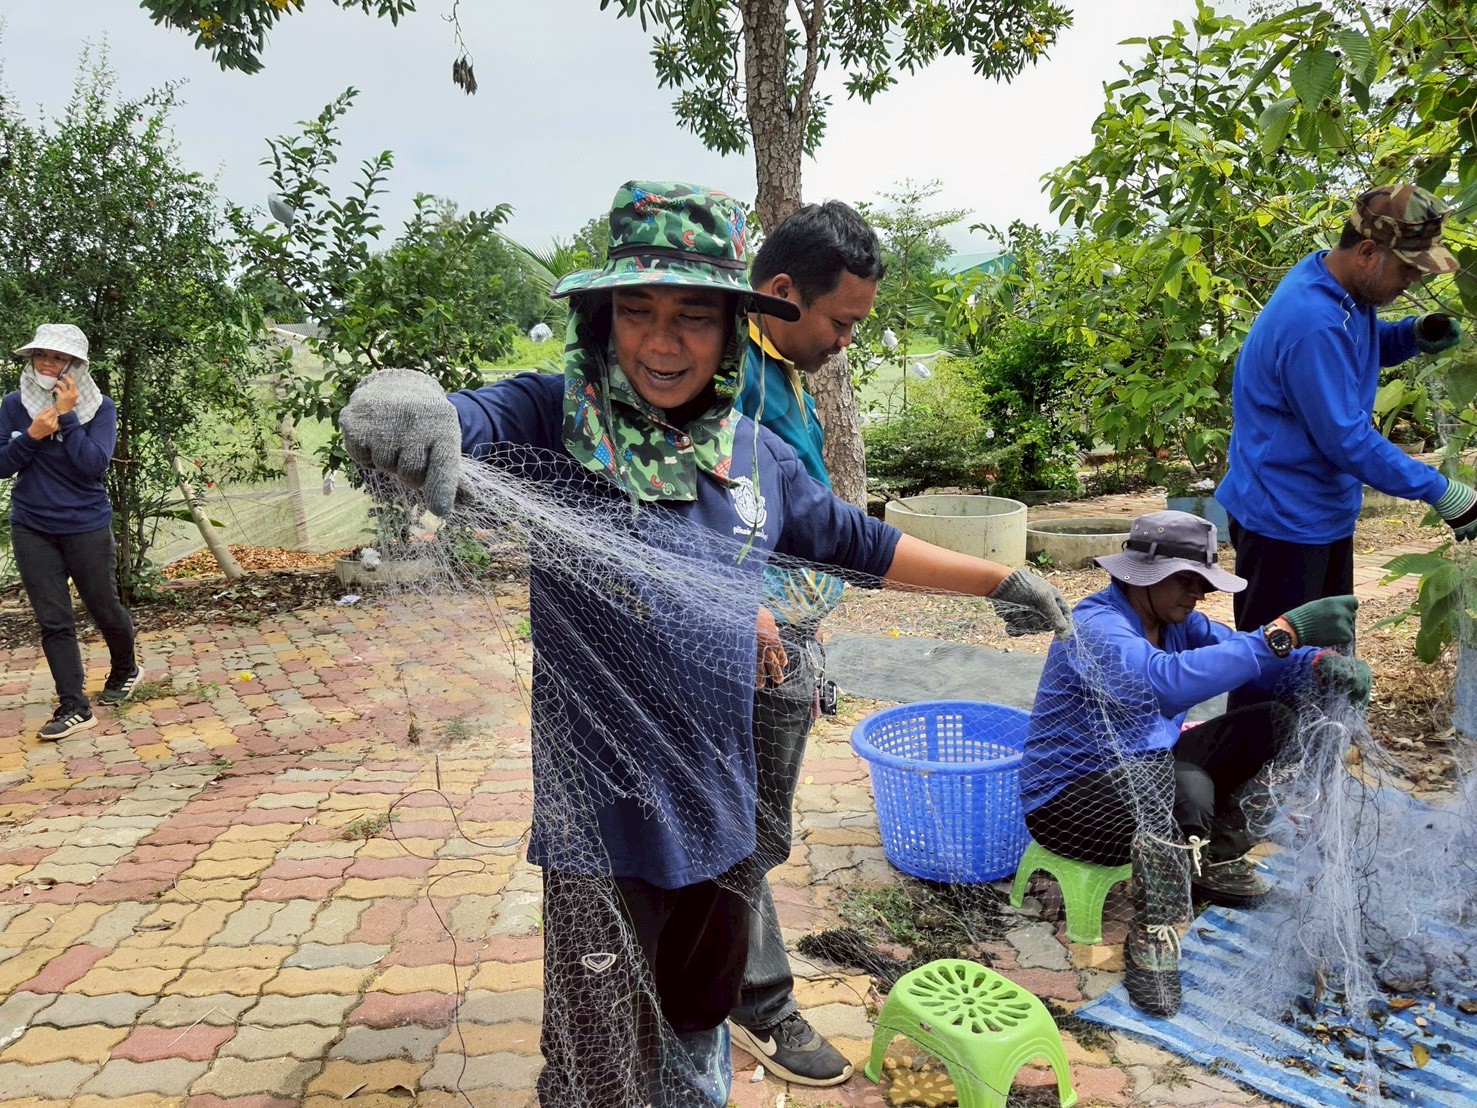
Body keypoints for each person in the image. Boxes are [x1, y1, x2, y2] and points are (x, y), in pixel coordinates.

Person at [339, 180, 1072, 1107]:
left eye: (692, 316)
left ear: (733, 326)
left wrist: (999, 579)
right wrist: (405, 396)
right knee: (596, 1068)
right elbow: (465, 417)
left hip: (720, 815)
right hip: (600, 833)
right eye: (635, 311)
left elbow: (860, 542)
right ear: (602, 319)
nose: (660, 341)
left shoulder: (755, 454)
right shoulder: (553, 421)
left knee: (696, 1034)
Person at [1020, 511, 1369, 1019]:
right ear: (1144, 575)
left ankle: (1215, 858)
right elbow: (1162, 684)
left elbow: (1239, 655)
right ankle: (1152, 940)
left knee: (1274, 721)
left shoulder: (1179, 623)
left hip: (1148, 768)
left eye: (1204, 584)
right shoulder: (1095, 626)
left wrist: (1313, 663)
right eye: (1187, 581)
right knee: (1183, 787)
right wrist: (1281, 633)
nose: (1198, 595)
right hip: (1069, 804)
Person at [1217, 184, 1474, 656]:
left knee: (1326, 661)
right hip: (1283, 521)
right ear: (1368, 251)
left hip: (1317, 510)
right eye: (1407, 269)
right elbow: (1346, 439)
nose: (1411, 283)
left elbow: (1351, 347)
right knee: (1275, 668)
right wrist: (1440, 490)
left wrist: (1410, 334)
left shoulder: (1334, 282)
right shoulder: (1312, 320)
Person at [1, 324, 142, 740]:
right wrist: (31, 436)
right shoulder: (13, 405)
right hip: (32, 525)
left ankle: (126, 668)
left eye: (58, 357)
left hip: (85, 525)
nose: (47, 363)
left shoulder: (100, 408)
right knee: (53, 620)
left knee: (103, 606)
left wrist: (67, 417)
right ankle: (74, 705)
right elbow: (2, 465)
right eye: (41, 355)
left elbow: (93, 465)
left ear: (75, 366)